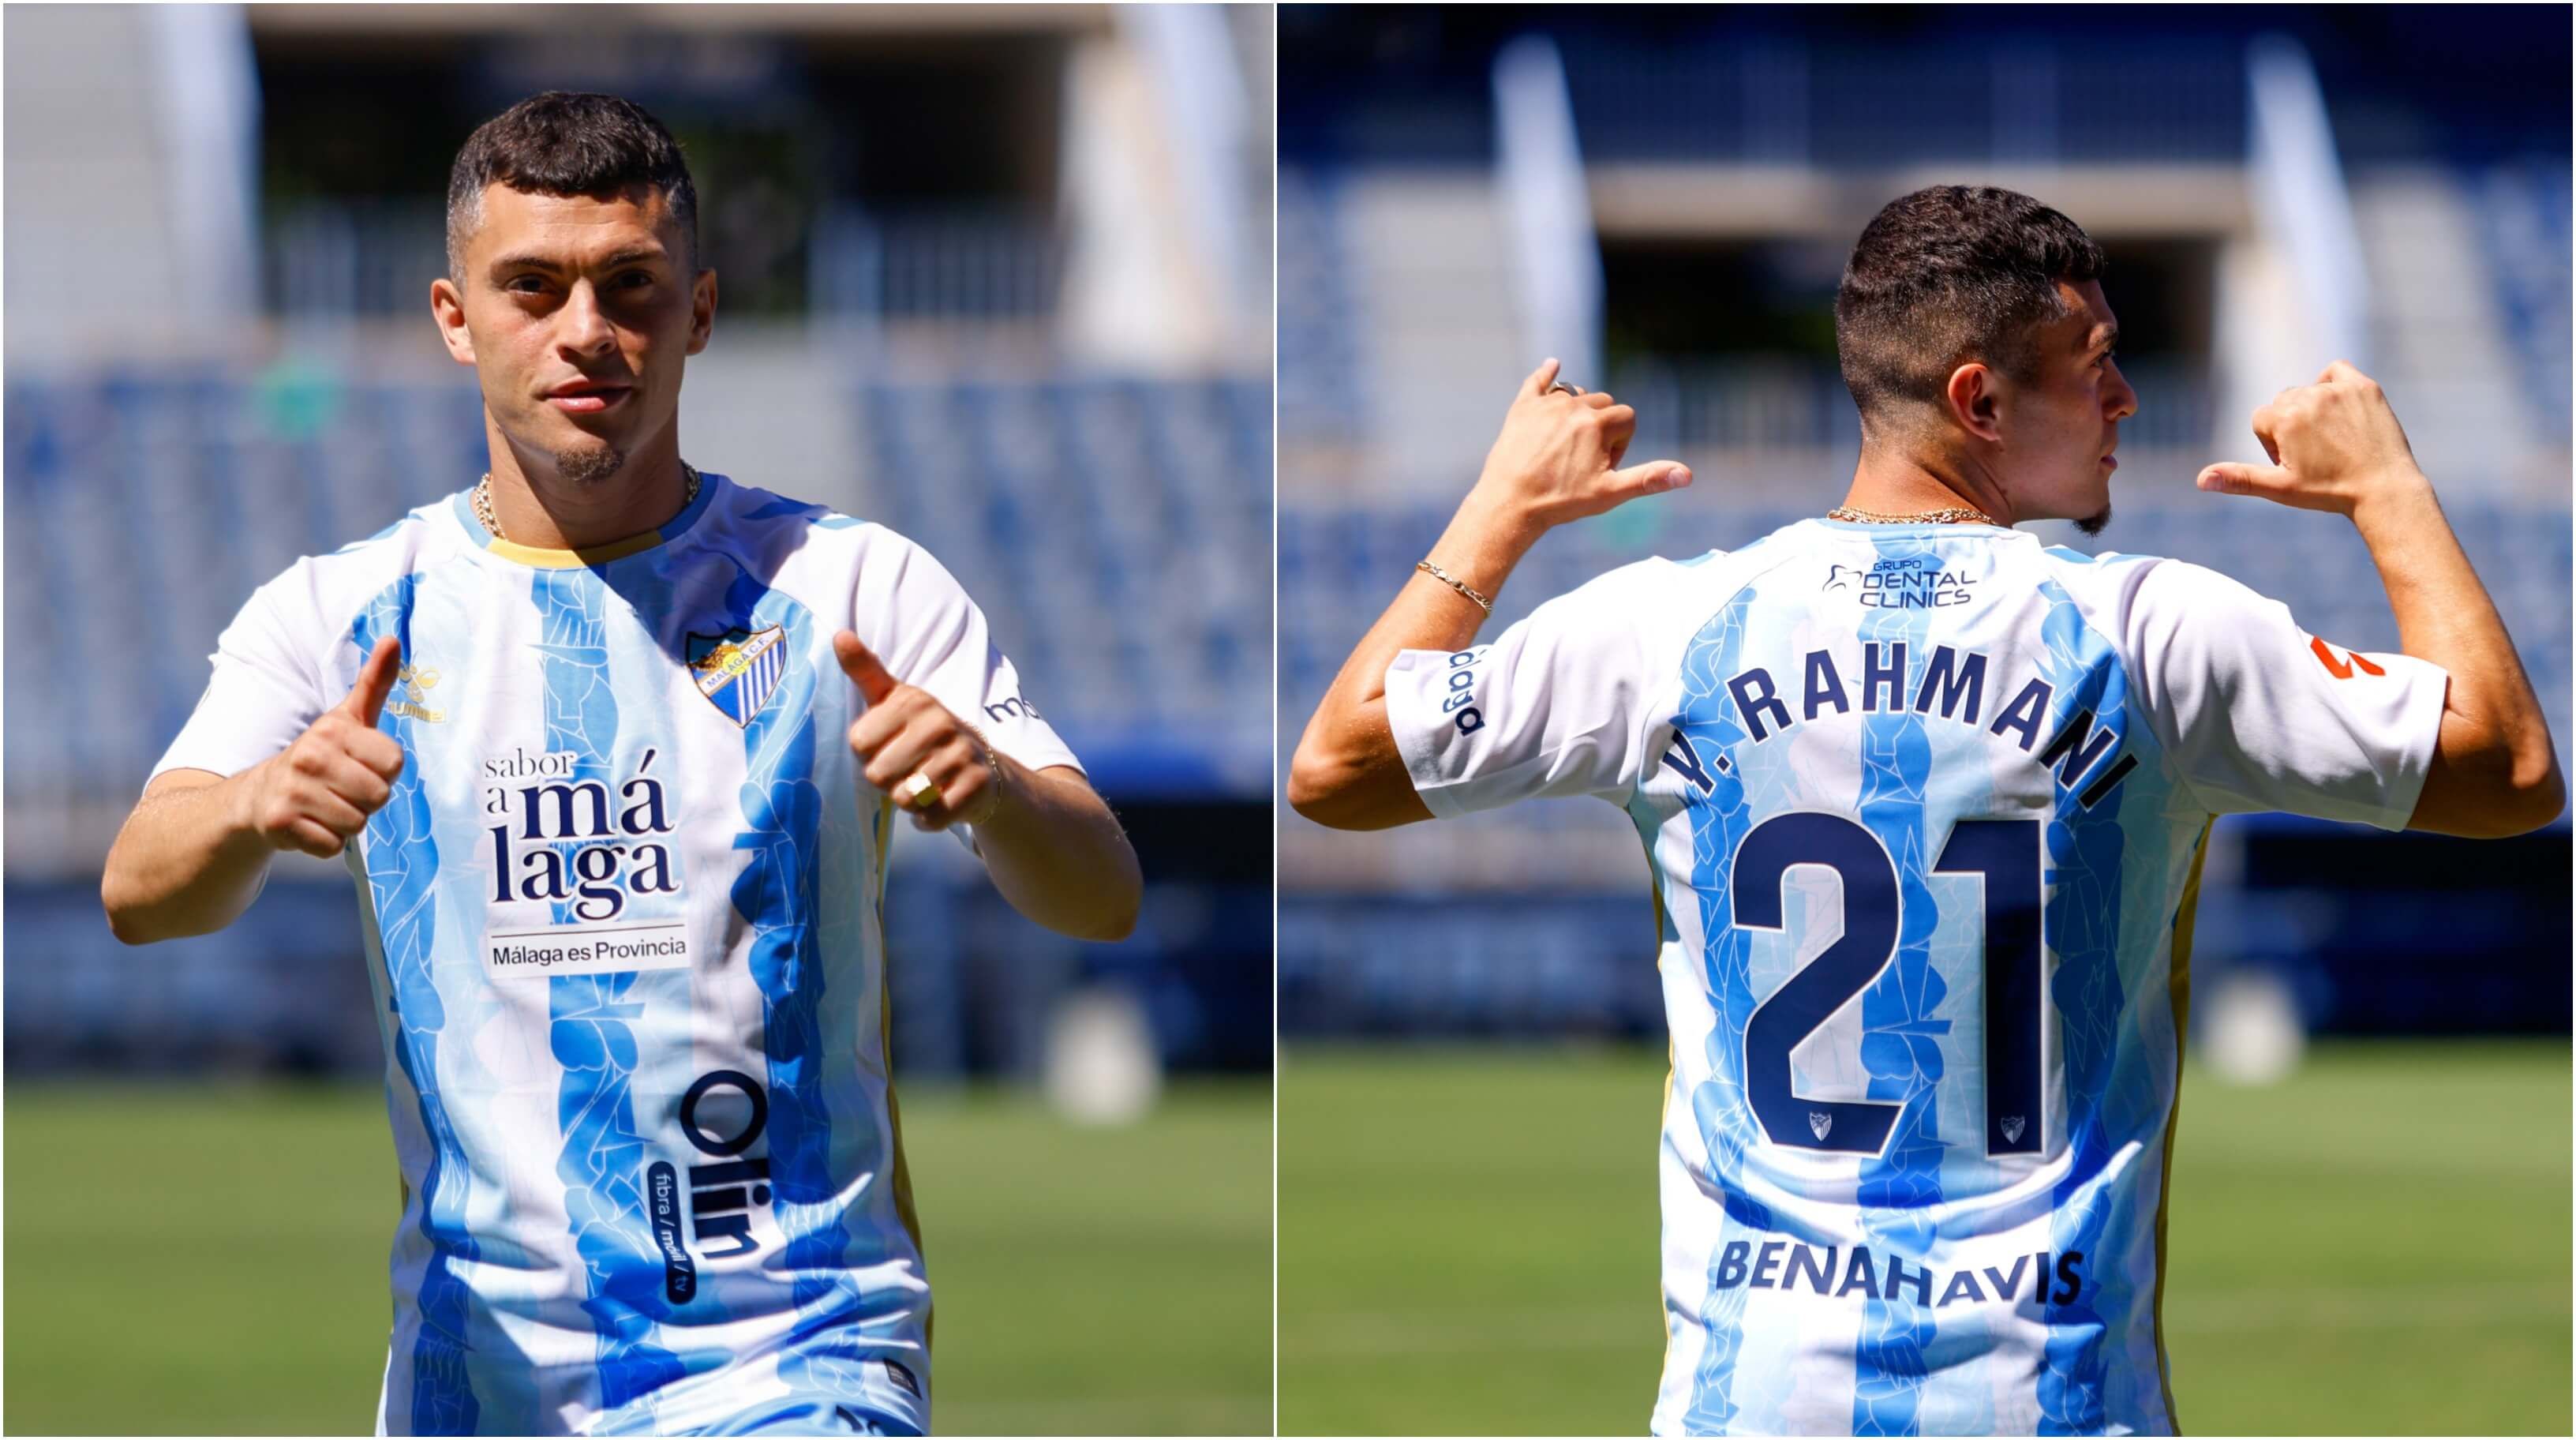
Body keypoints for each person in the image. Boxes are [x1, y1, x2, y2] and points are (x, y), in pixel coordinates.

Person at [1287, 184, 2560, 1435]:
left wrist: (1501, 513)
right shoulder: (2150, 634)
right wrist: (2387, 491)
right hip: (2058, 1405)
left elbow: (1335, 767)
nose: (2126, 397)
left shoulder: (1665, 628)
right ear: (1979, 399)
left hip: (1753, 1406)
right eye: (2098, 363)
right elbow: (2508, 776)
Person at [101, 92, 1140, 1438]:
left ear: (698, 311)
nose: (585, 328)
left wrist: (993, 791)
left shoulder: (853, 585)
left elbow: (1101, 892)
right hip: (477, 1375)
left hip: (799, 1349)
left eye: (629, 285)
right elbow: (140, 887)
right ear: (454, 316)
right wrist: (253, 805)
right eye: (531, 286)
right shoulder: (341, 613)